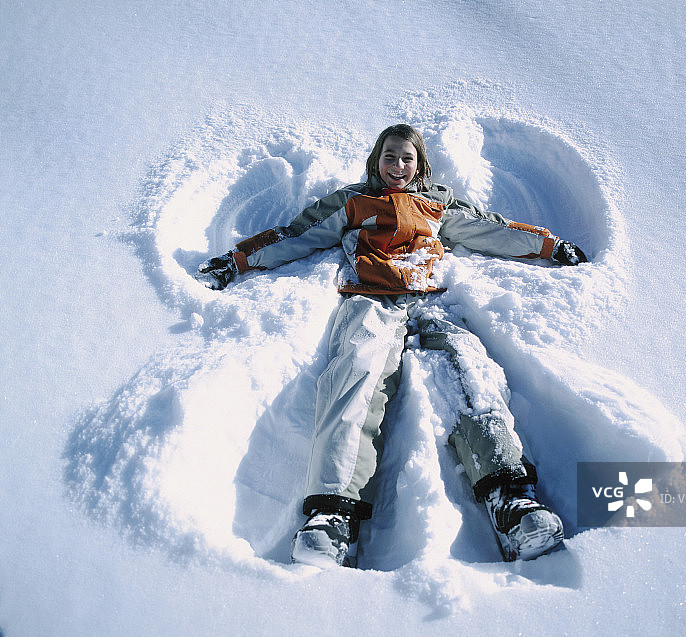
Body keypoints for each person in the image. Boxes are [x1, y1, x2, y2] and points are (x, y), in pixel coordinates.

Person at [196, 124, 587, 568]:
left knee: (466, 372)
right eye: (389, 156)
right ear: (375, 160)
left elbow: (491, 229)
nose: (397, 166)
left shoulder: (436, 203)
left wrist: (551, 246)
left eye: (407, 158)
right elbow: (295, 234)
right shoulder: (353, 201)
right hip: (370, 300)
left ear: (420, 165)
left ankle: (510, 498)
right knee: (355, 375)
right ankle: (333, 514)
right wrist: (236, 260)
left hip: (430, 300)